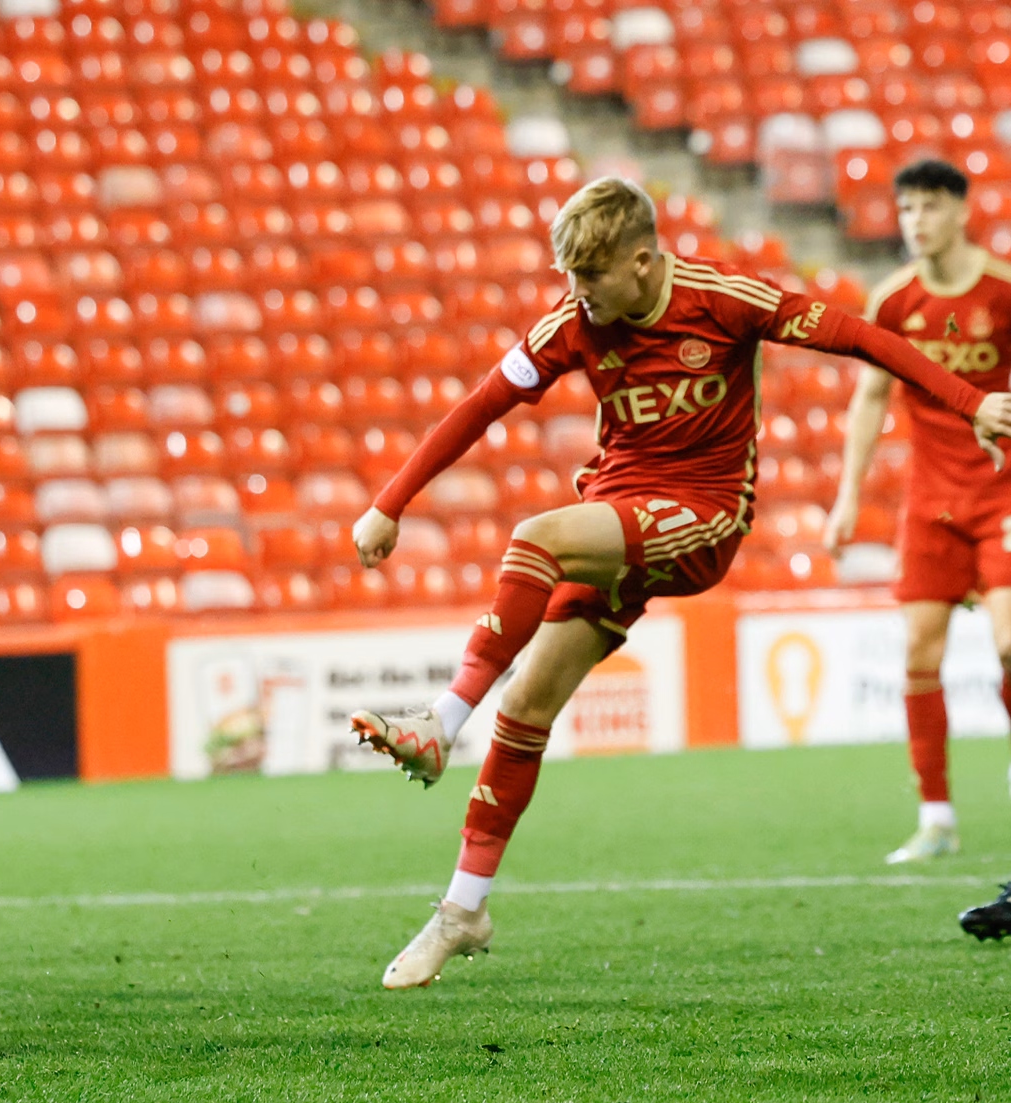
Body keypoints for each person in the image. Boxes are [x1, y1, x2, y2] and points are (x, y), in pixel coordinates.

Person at [347, 176, 1011, 989]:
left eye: (592, 275)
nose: (578, 292)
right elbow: (481, 405)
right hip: (620, 516)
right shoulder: (573, 322)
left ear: (641, 261)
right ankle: (463, 910)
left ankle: (442, 721)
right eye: (570, 276)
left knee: (535, 538)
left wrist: (970, 401)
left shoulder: (722, 299)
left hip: (705, 515)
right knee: (524, 709)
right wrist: (389, 502)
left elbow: (859, 337)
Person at [823, 159, 1011, 864]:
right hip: (930, 502)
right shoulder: (894, 300)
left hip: (1002, 494)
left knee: (1008, 644)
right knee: (919, 653)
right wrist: (848, 494)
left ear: (962, 210)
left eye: (930, 206)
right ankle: (936, 817)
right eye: (906, 209)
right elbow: (871, 397)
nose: (916, 221)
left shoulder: (1003, 291)